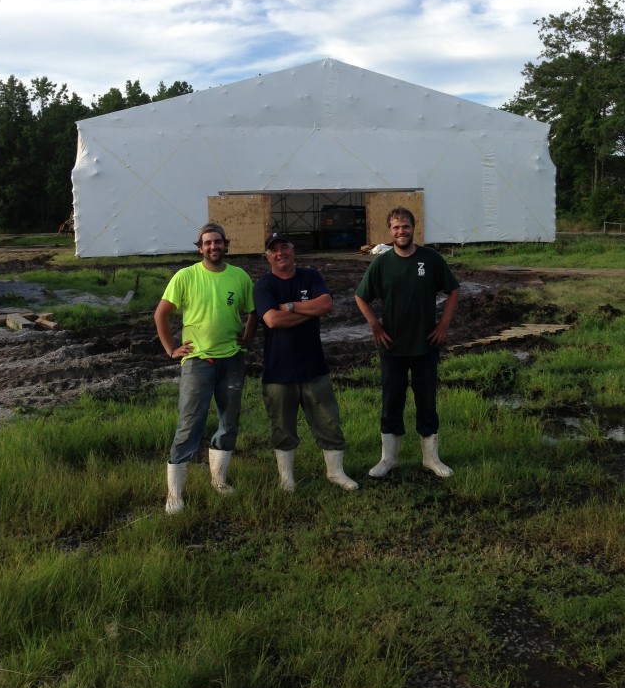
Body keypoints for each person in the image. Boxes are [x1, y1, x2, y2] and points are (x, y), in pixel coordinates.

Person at [154, 222, 257, 514]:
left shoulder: (239, 277)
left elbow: (253, 312)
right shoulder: (185, 276)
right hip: (198, 362)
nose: (214, 247)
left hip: (232, 360)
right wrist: (171, 349)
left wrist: (247, 339)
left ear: (226, 244)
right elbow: (161, 314)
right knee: (189, 425)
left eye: (218, 242)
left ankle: (219, 481)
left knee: (229, 421)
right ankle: (175, 494)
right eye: (208, 243)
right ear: (200, 248)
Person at [354, 207, 460, 478]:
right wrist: (375, 325)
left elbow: (453, 289)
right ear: (390, 232)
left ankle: (431, 459)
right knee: (391, 402)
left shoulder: (430, 258)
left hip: (425, 345)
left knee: (427, 401)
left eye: (406, 226)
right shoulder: (381, 263)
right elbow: (361, 297)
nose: (401, 232)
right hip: (392, 348)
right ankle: (388, 459)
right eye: (396, 228)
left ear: (414, 228)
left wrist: (444, 324)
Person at [254, 232, 358, 492]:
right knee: (282, 425)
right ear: (267, 256)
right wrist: (307, 311)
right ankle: (286, 479)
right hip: (278, 370)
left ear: (293, 250)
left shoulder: (311, 276)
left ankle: (335, 473)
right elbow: (272, 321)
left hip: (314, 367)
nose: (281, 253)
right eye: (274, 250)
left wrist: (289, 307)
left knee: (328, 421)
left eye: (285, 247)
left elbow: (326, 304)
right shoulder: (264, 285)